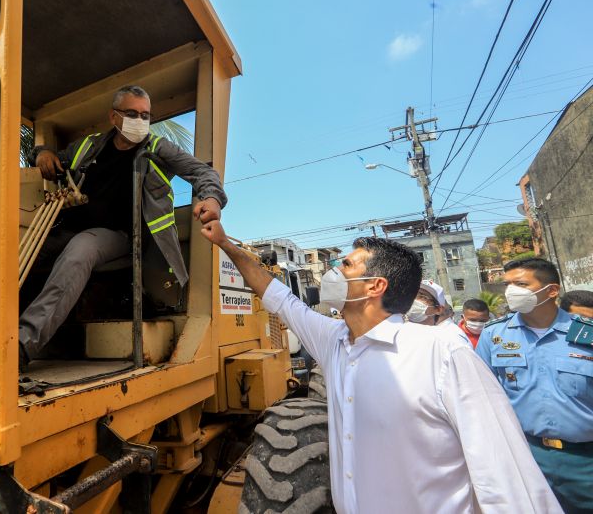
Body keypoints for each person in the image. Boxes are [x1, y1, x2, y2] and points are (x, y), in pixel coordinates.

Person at [200, 220, 560, 514]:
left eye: (345, 265)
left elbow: (506, 478)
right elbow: (277, 296)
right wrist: (224, 243)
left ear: (374, 285)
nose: (332, 271)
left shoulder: (442, 354)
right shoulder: (334, 341)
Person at [19, 85, 227, 369]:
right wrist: (42, 153)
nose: (140, 121)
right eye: (132, 114)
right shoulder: (89, 146)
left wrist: (212, 198)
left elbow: (202, 172)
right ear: (114, 117)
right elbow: (50, 156)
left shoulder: (157, 148)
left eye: (146, 115)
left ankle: (21, 345)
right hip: (68, 231)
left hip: (121, 238)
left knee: (82, 248)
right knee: (22, 244)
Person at [476, 258, 593, 513]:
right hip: (526, 456)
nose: (510, 291)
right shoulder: (494, 335)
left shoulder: (587, 334)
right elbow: (482, 398)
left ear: (551, 290)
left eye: (520, 284)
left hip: (584, 461)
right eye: (507, 284)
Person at [406, 280, 471, 346]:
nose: (415, 301)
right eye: (412, 296)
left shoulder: (452, 339)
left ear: (438, 309)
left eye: (422, 297)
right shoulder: (411, 334)